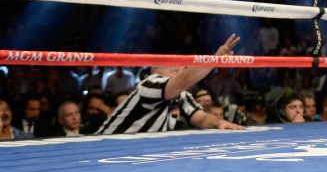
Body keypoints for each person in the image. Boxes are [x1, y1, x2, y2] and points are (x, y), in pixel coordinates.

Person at [95, 34, 246, 134]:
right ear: (158, 71)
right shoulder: (148, 84)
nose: (182, 69)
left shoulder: (181, 95)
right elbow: (181, 81)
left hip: (136, 152)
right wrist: (214, 59)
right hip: (103, 146)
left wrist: (219, 123)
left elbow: (200, 118)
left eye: (183, 66)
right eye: (176, 67)